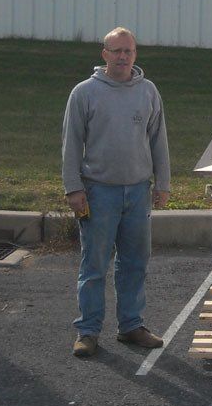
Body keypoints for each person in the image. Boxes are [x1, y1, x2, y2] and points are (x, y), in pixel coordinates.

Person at [62, 27, 171, 358]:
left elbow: (158, 139)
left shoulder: (148, 92)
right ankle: (88, 330)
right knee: (94, 264)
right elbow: (71, 144)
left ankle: (131, 326)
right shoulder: (84, 93)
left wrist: (162, 183)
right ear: (104, 54)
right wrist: (74, 189)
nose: (122, 57)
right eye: (116, 51)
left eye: (128, 51)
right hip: (98, 192)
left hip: (138, 191)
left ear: (135, 54)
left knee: (135, 261)